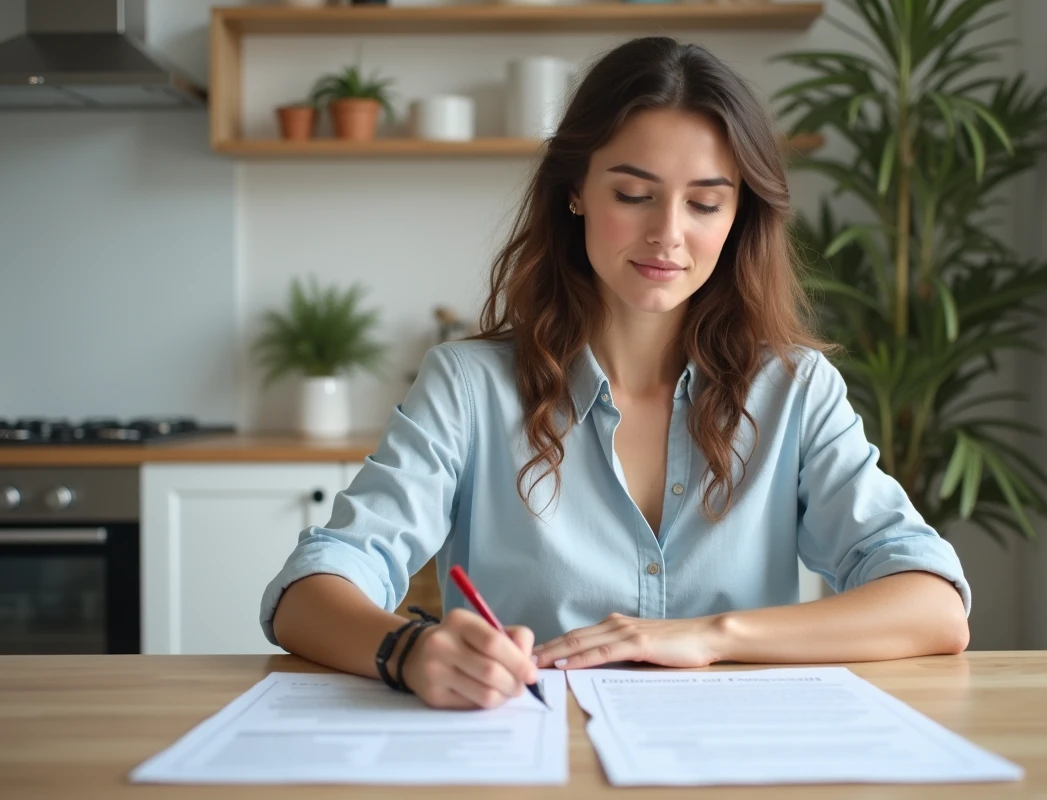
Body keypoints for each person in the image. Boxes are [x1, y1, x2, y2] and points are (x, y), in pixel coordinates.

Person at [262, 36, 970, 711]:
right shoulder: (466, 387)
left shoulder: (796, 391)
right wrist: (410, 650)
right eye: (634, 194)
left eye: (704, 202)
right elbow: (307, 590)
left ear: (738, 215)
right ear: (576, 191)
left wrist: (711, 637)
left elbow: (933, 604)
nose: (668, 232)